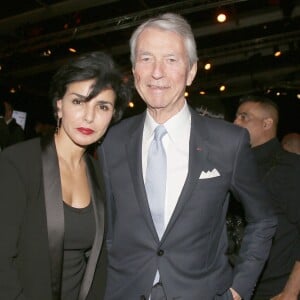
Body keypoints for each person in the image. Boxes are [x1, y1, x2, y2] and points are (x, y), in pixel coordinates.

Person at [98, 13, 277, 300]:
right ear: (134, 71)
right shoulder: (112, 140)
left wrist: (239, 290)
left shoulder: (227, 141)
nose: (157, 72)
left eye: (171, 59)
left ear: (191, 71)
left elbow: (264, 219)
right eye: (146, 58)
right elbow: (107, 229)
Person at [0, 51, 130, 300]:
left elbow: (97, 266)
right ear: (59, 104)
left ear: (112, 116)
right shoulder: (18, 164)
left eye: (102, 106)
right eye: (78, 101)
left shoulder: (100, 176)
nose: (89, 117)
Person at [234, 95, 300, 300]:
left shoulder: (288, 168)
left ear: (267, 123)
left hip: (274, 291)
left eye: (244, 117)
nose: (235, 123)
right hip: (233, 286)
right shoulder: (235, 166)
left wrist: (290, 292)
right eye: (236, 116)